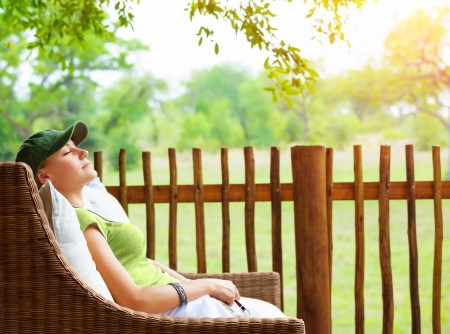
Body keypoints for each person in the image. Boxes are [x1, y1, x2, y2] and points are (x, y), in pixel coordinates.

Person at [15, 121, 287, 318]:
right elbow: (135, 300)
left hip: (181, 299)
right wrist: (205, 285)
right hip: (172, 312)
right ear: (44, 176)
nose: (83, 153)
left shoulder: (89, 212)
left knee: (274, 314)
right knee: (277, 320)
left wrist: (200, 286)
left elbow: (140, 263)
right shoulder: (78, 222)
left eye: (78, 147)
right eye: (67, 152)